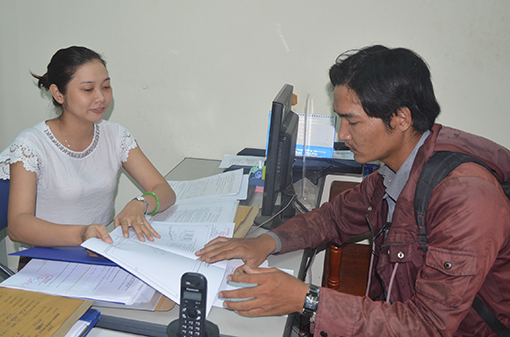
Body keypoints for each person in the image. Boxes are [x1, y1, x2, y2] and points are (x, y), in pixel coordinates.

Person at [196, 45, 510, 336]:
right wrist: (267, 241)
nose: (342, 133)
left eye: (352, 122)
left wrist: (307, 299)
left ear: (400, 118)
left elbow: (427, 326)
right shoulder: (401, 167)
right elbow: (334, 218)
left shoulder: (466, 198)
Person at [0, 46, 176, 247]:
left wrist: (141, 203)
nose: (101, 97)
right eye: (88, 89)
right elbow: (18, 226)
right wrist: (82, 234)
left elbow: (164, 191)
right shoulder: (31, 145)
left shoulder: (115, 135)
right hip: (48, 260)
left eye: (106, 87)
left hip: (99, 252)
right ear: (58, 94)